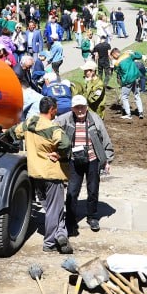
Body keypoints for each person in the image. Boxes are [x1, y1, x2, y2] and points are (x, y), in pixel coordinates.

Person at [11, 96, 73, 254]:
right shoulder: (53, 128)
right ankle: (50, 242)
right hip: (51, 173)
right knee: (54, 209)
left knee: (51, 208)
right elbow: (66, 144)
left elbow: (14, 132)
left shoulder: (30, 122)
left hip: (35, 172)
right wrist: (60, 155)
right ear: (51, 110)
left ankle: (60, 233)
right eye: (56, 108)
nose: (56, 111)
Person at [57, 95, 114, 234]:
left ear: (87, 107)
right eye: (77, 107)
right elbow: (52, 128)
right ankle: (70, 219)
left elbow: (105, 139)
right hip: (74, 161)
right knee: (72, 191)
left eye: (82, 107)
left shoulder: (95, 119)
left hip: (92, 159)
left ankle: (92, 216)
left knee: (93, 189)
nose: (80, 110)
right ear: (72, 108)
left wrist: (107, 159)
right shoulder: (65, 118)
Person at [117, 51, 145, 119]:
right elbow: (139, 55)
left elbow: (119, 74)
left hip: (127, 80)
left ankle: (128, 114)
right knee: (137, 95)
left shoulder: (118, 62)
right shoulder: (129, 56)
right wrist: (133, 52)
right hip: (135, 77)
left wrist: (121, 83)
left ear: (115, 54)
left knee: (124, 97)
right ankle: (140, 112)